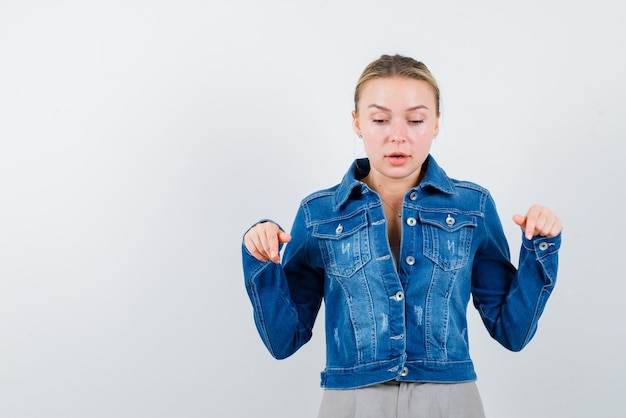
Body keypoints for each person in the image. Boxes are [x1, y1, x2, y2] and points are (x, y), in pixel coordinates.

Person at [241, 54, 562, 418]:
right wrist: (260, 257)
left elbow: (512, 332)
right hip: (351, 402)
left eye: (415, 119)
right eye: (379, 119)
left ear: (436, 123)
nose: (398, 135)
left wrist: (540, 246)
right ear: (357, 123)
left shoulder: (473, 207)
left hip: (449, 402)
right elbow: (284, 340)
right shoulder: (319, 214)